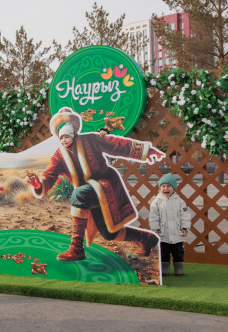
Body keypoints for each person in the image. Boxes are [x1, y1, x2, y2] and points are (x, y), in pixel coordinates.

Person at [24, 107, 164, 262]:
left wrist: (146, 151)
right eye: (61, 137)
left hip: (106, 185)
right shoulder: (58, 156)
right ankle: (148, 238)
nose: (64, 140)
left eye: (67, 136)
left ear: (74, 133)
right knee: (108, 233)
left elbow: (116, 144)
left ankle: (76, 249)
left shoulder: (90, 139)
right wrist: (38, 184)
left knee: (79, 194)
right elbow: (49, 175)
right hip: (89, 196)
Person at [149, 174, 192, 276]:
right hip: (163, 234)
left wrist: (185, 228)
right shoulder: (156, 202)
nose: (166, 189)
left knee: (178, 252)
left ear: (173, 188)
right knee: (164, 253)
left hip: (177, 234)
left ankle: (179, 267)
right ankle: (164, 268)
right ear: (160, 188)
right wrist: (156, 229)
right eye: (163, 186)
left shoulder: (180, 201)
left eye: (168, 186)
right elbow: (153, 217)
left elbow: (185, 215)